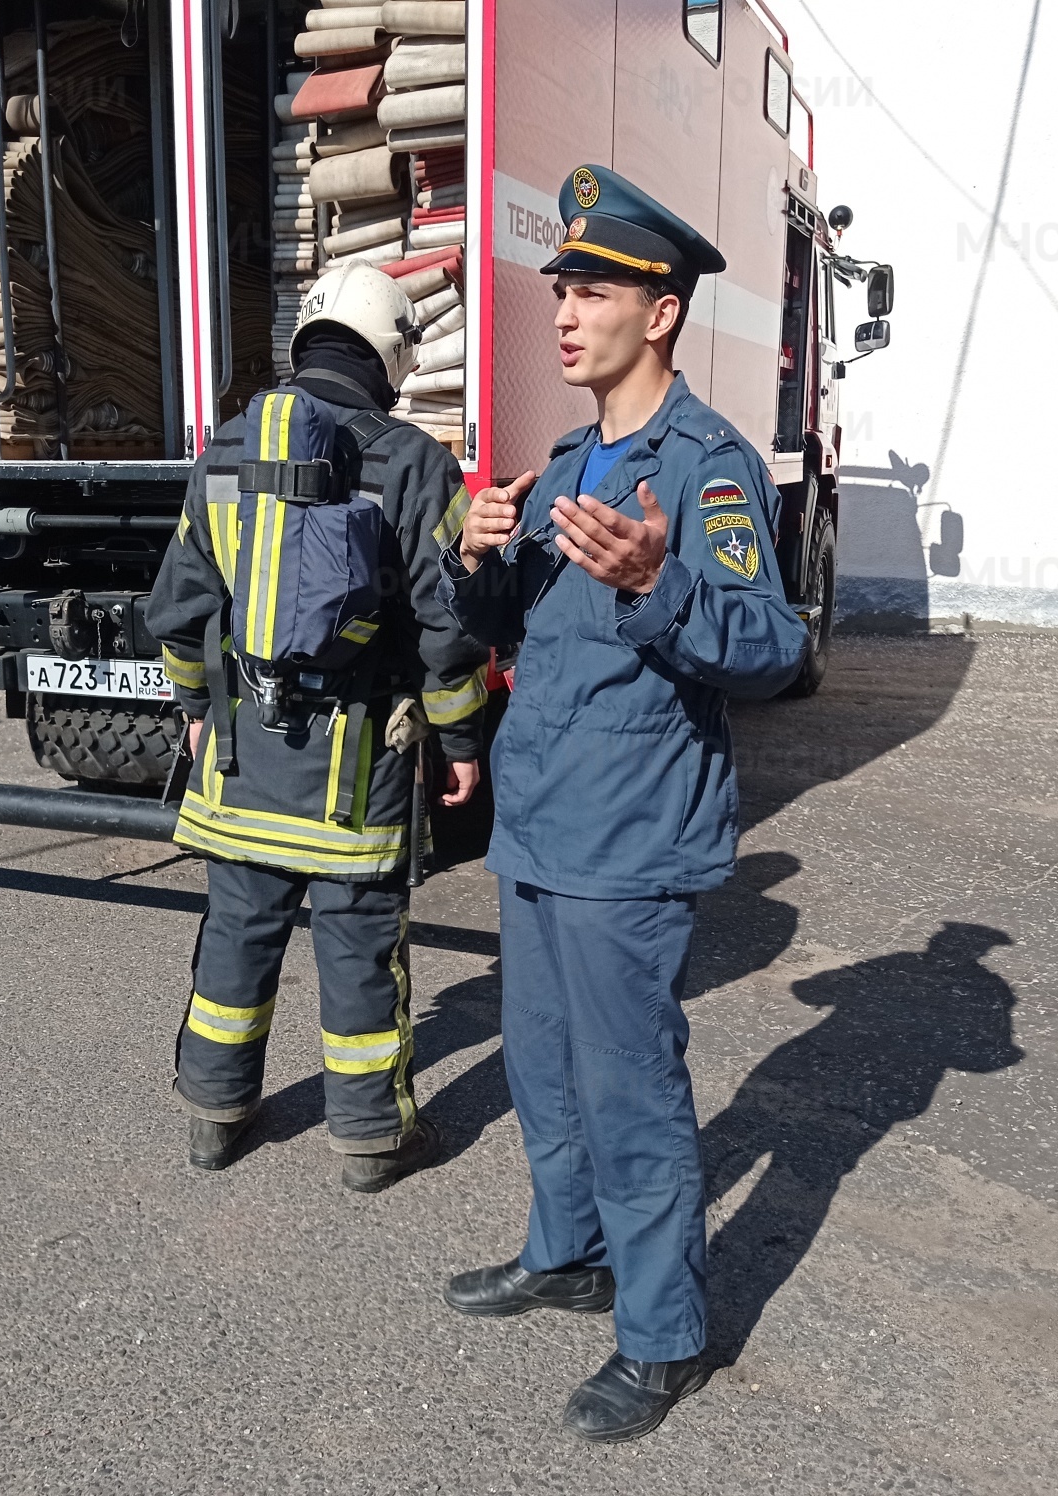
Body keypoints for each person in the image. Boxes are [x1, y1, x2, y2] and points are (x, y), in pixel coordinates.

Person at [436, 166, 809, 1441]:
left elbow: (771, 648)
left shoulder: (704, 467)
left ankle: (662, 1334)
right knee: (541, 1068)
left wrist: (662, 585)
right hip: (540, 819)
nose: (561, 309)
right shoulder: (557, 463)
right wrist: (475, 555)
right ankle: (568, 1251)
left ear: (659, 312)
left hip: (629, 835)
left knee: (628, 1086)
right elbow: (513, 630)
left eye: (589, 289)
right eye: (558, 286)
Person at [148, 262, 490, 1194]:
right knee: (359, 950)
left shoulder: (222, 451)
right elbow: (447, 627)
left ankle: (216, 1117)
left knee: (237, 934)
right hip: (359, 772)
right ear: (391, 353)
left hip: (238, 764)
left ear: (307, 338)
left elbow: (179, 609)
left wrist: (193, 714)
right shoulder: (417, 462)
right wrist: (459, 743)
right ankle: (372, 1140)